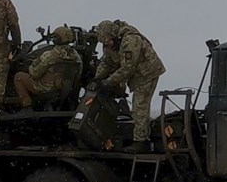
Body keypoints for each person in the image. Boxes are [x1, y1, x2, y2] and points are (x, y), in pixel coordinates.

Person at [90, 20, 165, 153]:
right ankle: (139, 134)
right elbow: (106, 63)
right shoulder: (109, 43)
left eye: (107, 40)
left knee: (139, 106)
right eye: (103, 42)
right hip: (136, 75)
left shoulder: (131, 40)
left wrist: (108, 82)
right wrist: (97, 79)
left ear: (112, 35)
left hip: (147, 73)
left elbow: (127, 69)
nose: (105, 44)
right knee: (137, 107)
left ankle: (141, 142)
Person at [13, 26, 82, 112]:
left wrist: (33, 64)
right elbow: (78, 75)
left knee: (18, 76)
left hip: (45, 89)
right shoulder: (76, 56)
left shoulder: (50, 55)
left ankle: (27, 107)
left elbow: (34, 73)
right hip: (64, 90)